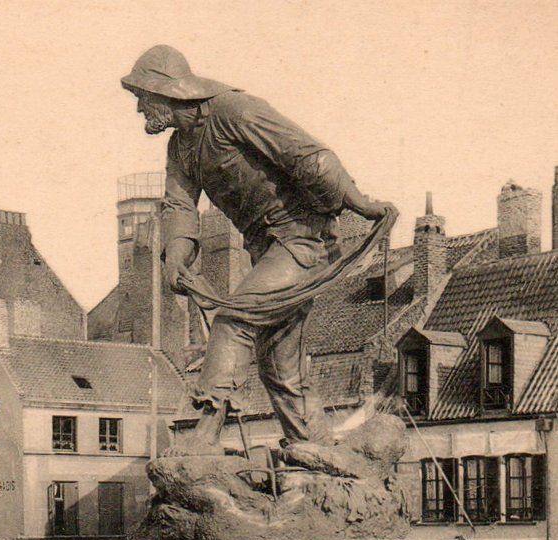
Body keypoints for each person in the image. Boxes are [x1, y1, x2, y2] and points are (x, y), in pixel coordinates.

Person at [121, 45, 397, 453]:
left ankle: (206, 436)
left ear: (166, 92)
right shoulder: (180, 147)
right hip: (267, 249)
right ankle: (315, 448)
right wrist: (176, 256)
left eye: (143, 97)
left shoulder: (234, 111)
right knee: (277, 360)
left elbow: (309, 157)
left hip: (304, 239)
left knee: (235, 318)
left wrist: (360, 203)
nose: (140, 108)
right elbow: (179, 205)